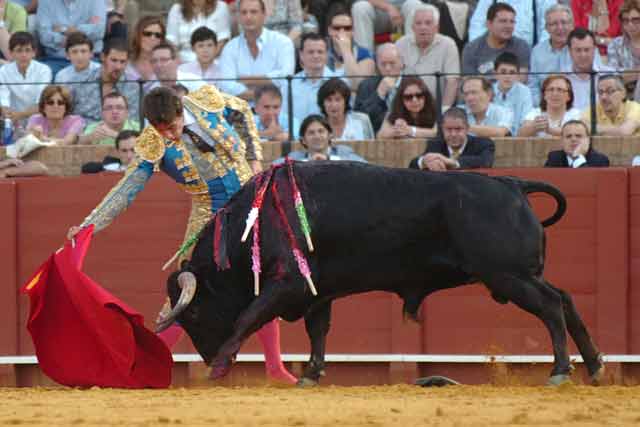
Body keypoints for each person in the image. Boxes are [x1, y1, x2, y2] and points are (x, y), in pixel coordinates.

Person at [65, 84, 297, 384]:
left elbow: (240, 110)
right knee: (185, 292)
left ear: (180, 111)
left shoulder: (206, 101)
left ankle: (274, 368)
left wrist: (254, 158)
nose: (170, 136)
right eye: (162, 131)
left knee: (264, 279)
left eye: (172, 127)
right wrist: (89, 225)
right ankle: (145, 365)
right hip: (209, 214)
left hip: (252, 201)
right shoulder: (152, 142)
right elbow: (128, 187)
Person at [217, 0, 295, 101]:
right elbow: (227, 86)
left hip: (277, 112)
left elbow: (285, 78)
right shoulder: (230, 47)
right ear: (239, 17)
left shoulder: (283, 42)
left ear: (264, 15)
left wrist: (244, 80)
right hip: (241, 112)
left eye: (253, 12)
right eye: (244, 12)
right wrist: (264, 96)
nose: (248, 17)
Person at [395, 3, 460, 108]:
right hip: (407, 107)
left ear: (437, 27)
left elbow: (452, 82)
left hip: (436, 108)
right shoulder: (401, 44)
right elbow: (393, 78)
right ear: (412, 27)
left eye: (428, 23)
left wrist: (444, 111)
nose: (423, 27)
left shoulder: (448, 45)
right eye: (418, 23)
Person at [73, 38, 141, 124]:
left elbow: (133, 122)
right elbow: (73, 119)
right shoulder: (81, 81)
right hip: (86, 134)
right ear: (103, 57)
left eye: (122, 62)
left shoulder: (133, 88)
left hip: (119, 135)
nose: (118, 67)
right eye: (114, 60)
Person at [408, 106, 495, 171]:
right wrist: (424, 161)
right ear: (442, 129)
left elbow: (485, 161)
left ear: (467, 129)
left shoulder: (483, 144)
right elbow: (413, 164)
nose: (453, 134)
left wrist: (452, 162)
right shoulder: (435, 144)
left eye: (458, 129)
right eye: (449, 129)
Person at [36, 0, 106, 76]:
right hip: (56, 60)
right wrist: (80, 37)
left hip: (90, 60)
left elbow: (99, 30)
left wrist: (63, 29)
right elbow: (44, 35)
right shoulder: (45, 1)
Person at [288, 32, 344, 124]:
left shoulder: (339, 83)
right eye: (311, 52)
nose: (316, 56)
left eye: (320, 52)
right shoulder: (289, 84)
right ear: (301, 55)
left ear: (326, 54)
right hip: (297, 137)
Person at [462, 2, 530, 76]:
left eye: (512, 22)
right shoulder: (471, 49)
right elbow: (469, 81)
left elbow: (522, 79)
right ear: (489, 24)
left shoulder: (521, 46)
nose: (508, 26)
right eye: (503, 21)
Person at [0, 31, 51, 130]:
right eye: (19, 50)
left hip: (39, 120)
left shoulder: (44, 70)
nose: (23, 55)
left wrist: (20, 115)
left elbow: (41, 102)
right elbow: (3, 100)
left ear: (34, 53)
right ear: (11, 53)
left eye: (27, 50)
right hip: (12, 121)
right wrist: (8, 116)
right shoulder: (3, 71)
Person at [273, 114, 367, 162]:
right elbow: (274, 167)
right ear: (303, 140)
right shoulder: (296, 157)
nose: (317, 136)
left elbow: (364, 166)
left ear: (330, 135)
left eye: (321, 131)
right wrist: (306, 163)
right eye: (311, 133)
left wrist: (329, 159)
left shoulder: (343, 152)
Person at [354, 43, 403, 133]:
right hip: (375, 137)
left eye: (392, 63)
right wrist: (379, 95)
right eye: (383, 64)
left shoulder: (413, 83)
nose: (388, 68)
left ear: (401, 63)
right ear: (377, 64)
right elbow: (359, 119)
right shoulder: (366, 85)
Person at [325, 3, 375, 89]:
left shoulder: (364, 54)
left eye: (347, 28)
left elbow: (358, 85)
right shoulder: (320, 51)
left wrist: (346, 51)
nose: (342, 32)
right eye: (337, 28)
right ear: (329, 30)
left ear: (353, 31)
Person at [563, 27, 614, 110]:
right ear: (570, 51)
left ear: (594, 49)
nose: (583, 55)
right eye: (578, 50)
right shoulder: (561, 78)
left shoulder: (610, 75)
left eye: (587, 50)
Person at [469, 0, 557, 47]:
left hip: (529, 56)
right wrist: (480, 51)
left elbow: (548, 28)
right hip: (494, 55)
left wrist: (538, 54)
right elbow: (478, 26)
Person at [166, 0, 231, 63]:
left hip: (213, 60)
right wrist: (179, 62)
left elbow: (223, 39)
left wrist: (206, 61)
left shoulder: (220, 6)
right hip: (183, 61)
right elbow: (171, 40)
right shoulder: (176, 9)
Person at [350, 0, 425, 52]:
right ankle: (365, 61)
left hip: (404, 13)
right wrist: (388, 7)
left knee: (415, 4)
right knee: (360, 7)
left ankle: (414, 61)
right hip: (375, 10)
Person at [491, 52, 533, 136]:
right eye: (503, 72)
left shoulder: (525, 92)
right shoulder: (488, 91)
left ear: (518, 75)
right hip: (493, 137)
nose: (507, 76)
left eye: (512, 72)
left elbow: (526, 122)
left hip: (518, 139)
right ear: (495, 73)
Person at [608, 0, 640, 100]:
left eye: (635, 20)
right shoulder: (615, 45)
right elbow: (615, 79)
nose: (630, 25)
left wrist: (629, 74)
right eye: (625, 20)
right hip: (625, 99)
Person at [545, 119, 610, 167]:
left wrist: (577, 158)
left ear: (588, 140)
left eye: (578, 136)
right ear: (562, 141)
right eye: (568, 136)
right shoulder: (554, 158)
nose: (573, 139)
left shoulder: (600, 160)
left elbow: (590, 182)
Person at [125, 15, 165, 93]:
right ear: (138, 34)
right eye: (147, 34)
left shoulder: (166, 64)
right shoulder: (124, 62)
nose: (152, 38)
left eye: (158, 35)